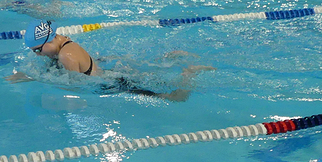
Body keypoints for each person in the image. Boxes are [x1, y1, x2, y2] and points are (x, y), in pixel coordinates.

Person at [12, 18, 212, 101]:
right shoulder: (64, 43)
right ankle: (171, 58)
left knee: (176, 98)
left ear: (48, 40)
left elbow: (75, 87)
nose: (37, 54)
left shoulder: (66, 56)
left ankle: (189, 73)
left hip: (112, 84)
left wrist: (41, 80)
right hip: (109, 74)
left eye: (37, 50)